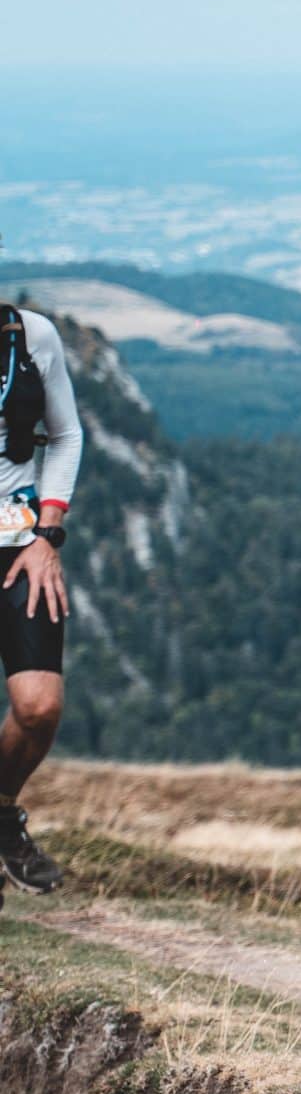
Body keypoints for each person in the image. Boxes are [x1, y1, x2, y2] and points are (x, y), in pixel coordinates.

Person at [0, 300, 82, 899]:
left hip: (19, 541)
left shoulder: (31, 338)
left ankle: (2, 818)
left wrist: (47, 535)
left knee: (40, 707)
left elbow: (67, 433)